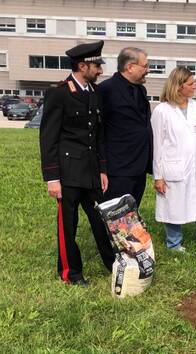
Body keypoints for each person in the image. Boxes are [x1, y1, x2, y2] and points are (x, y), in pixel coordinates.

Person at [39, 40, 114, 286]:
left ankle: (113, 264)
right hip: (68, 173)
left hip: (91, 172)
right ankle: (71, 272)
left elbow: (99, 136)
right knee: (68, 226)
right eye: (96, 66)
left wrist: (102, 169)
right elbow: (48, 138)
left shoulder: (95, 94)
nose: (101, 71)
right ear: (82, 66)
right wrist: (52, 178)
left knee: (101, 221)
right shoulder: (59, 93)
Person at [151, 67, 196, 252]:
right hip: (173, 168)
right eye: (191, 83)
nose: (194, 86)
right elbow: (157, 146)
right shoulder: (162, 111)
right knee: (173, 206)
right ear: (179, 86)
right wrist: (158, 176)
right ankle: (174, 244)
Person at [99, 47, 153, 208]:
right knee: (116, 213)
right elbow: (98, 129)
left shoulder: (141, 90)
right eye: (145, 66)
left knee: (131, 213)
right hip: (118, 167)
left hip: (139, 165)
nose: (148, 70)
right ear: (130, 67)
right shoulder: (106, 90)